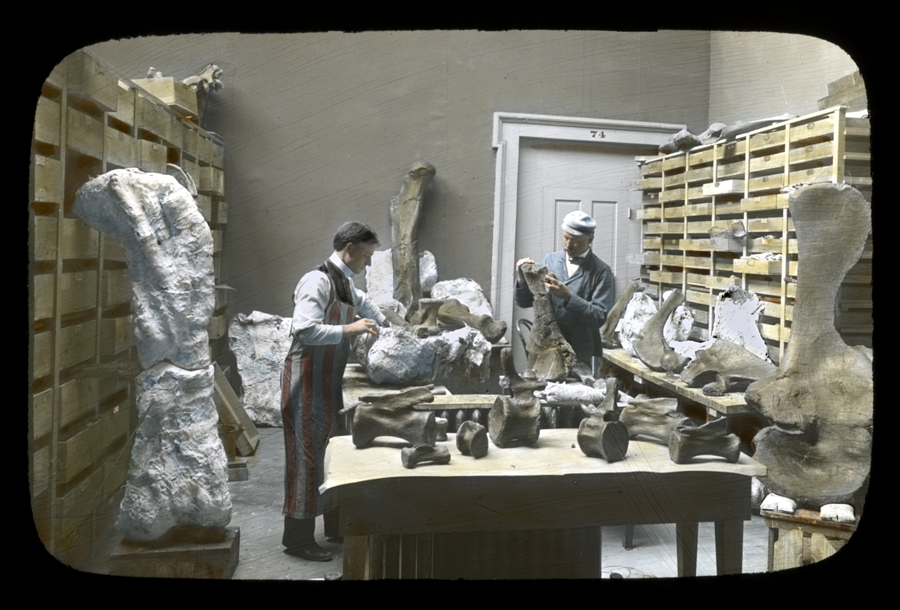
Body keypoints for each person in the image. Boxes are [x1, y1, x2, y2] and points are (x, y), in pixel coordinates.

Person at [280, 221, 387, 561]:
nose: (367, 263)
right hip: (306, 381)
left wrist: (390, 327)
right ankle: (297, 540)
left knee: (330, 455)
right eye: (366, 257)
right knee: (306, 458)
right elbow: (304, 329)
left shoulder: (344, 283)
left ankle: (335, 527)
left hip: (328, 382)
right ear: (350, 249)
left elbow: (366, 306)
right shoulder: (317, 281)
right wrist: (350, 328)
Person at [514, 210, 615, 373]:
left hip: (579, 352)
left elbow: (599, 317)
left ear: (590, 239)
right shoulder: (550, 260)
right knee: (538, 392)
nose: (568, 245)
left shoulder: (602, 271)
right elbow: (524, 302)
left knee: (575, 395)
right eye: (566, 237)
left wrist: (567, 296)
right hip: (543, 347)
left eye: (575, 241)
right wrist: (521, 278)